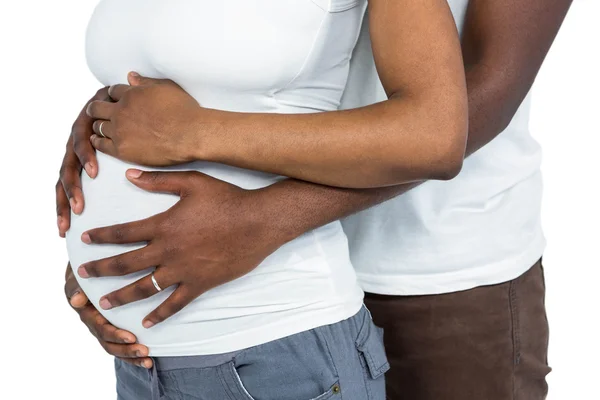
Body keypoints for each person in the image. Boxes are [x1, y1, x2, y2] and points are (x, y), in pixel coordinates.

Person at [59, 1, 571, 399]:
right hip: (237, 282)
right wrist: (110, 187)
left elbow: (480, 100)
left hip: (434, 274)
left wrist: (266, 218)